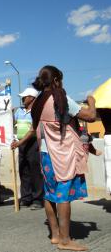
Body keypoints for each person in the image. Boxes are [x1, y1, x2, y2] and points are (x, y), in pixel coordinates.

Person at [30, 65, 96, 251]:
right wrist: (91, 101)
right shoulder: (61, 98)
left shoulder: (37, 102)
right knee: (63, 195)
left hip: (45, 154)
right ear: (57, 80)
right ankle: (66, 241)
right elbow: (91, 117)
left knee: (50, 194)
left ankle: (56, 235)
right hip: (62, 154)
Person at [11, 87, 44, 210]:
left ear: (32, 98)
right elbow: (12, 125)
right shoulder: (19, 111)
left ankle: (37, 199)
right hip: (21, 144)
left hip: (34, 143)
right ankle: (26, 197)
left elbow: (33, 131)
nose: (23, 99)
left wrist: (20, 143)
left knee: (35, 172)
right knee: (23, 170)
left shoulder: (37, 111)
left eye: (25, 97)